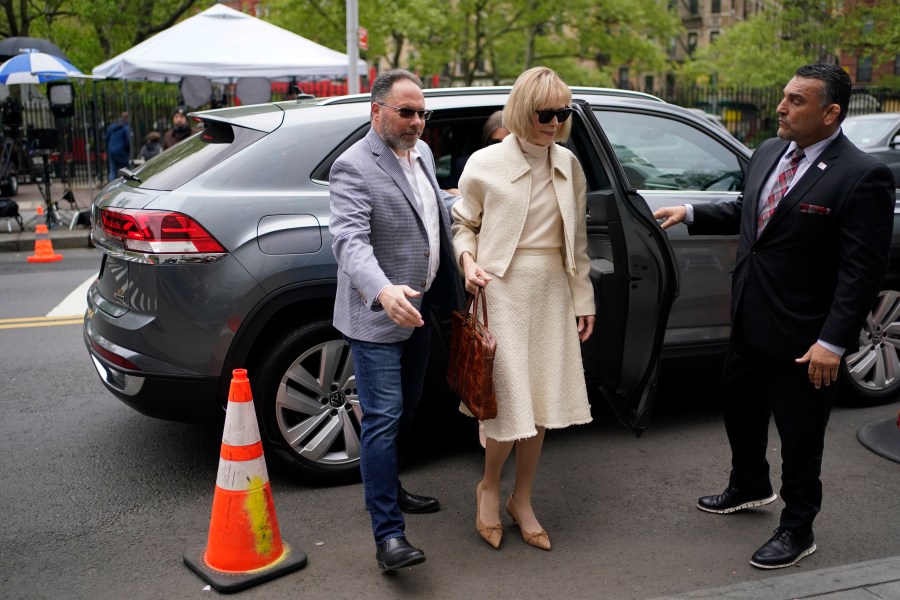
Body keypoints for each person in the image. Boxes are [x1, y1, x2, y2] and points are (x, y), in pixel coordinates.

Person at [653, 63, 895, 569]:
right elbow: (756, 210)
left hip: (805, 336)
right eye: (784, 96)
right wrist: (692, 212)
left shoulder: (861, 175)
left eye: (796, 101)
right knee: (739, 410)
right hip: (748, 317)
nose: (781, 108)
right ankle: (749, 484)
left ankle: (797, 526)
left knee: (800, 436)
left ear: (831, 113)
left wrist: (833, 342)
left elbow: (861, 273)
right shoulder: (768, 152)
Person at [452, 66, 596, 552]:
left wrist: (583, 299)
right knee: (508, 401)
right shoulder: (485, 163)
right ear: (522, 110)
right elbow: (462, 225)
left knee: (542, 404)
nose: (554, 121)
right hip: (502, 290)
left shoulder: (569, 165)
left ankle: (524, 498)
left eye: (562, 112)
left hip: (552, 290)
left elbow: (576, 243)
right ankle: (489, 487)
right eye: (545, 113)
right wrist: (467, 262)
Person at [328, 69, 464, 572]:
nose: (416, 122)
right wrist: (383, 291)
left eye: (422, 113)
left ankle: (393, 486)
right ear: (377, 110)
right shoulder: (353, 167)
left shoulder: (423, 155)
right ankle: (388, 536)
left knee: (406, 412)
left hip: (421, 307)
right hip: (379, 316)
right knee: (383, 419)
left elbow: (433, 213)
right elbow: (349, 242)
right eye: (406, 112)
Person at [104, 112, 131, 181]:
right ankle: (127, 184)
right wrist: (127, 150)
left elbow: (106, 138)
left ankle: (111, 185)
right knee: (126, 170)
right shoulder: (126, 127)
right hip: (122, 151)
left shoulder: (112, 126)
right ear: (127, 118)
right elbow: (128, 140)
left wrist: (109, 147)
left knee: (113, 170)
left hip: (111, 150)